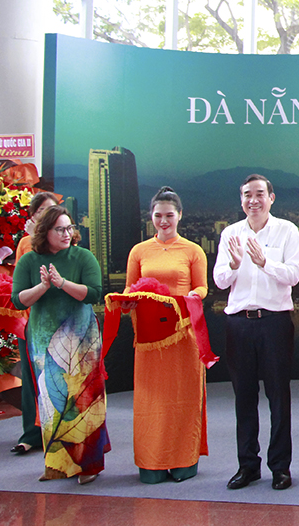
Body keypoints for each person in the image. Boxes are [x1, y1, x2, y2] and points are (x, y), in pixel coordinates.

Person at [214, 174, 299, 491]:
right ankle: (247, 466)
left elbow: (293, 275)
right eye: (248, 195)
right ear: (241, 200)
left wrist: (265, 262)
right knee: (244, 397)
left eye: (260, 194)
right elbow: (220, 281)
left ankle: (280, 467)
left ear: (271, 198)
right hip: (239, 323)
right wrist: (236, 264)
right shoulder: (230, 234)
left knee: (278, 396)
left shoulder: (287, 231)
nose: (254, 200)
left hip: (275, 322)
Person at [11, 205, 107, 484]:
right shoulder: (29, 261)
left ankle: (87, 465)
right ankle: (55, 464)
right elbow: (18, 300)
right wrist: (43, 287)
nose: (67, 234)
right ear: (45, 232)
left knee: (83, 400)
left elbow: (93, 294)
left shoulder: (83, 257)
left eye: (69, 228)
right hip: (42, 337)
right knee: (50, 400)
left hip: (81, 338)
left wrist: (62, 283)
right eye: (60, 229)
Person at [123, 186, 209, 483]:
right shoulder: (139, 251)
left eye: (169, 215)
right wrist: (127, 301)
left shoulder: (193, 251)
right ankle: (151, 462)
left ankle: (184, 461)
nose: (163, 221)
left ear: (179, 216)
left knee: (183, 398)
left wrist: (184, 302)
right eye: (158, 216)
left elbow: (202, 288)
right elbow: (129, 288)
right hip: (148, 337)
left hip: (183, 334)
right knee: (151, 401)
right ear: (151, 217)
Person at [9, 191, 58, 456]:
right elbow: (21, 284)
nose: (46, 217)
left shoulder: (65, 242)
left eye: (51, 212)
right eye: (41, 213)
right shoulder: (26, 244)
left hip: (58, 321)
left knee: (56, 378)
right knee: (30, 378)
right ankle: (31, 433)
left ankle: (57, 431)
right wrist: (30, 241)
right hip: (30, 320)